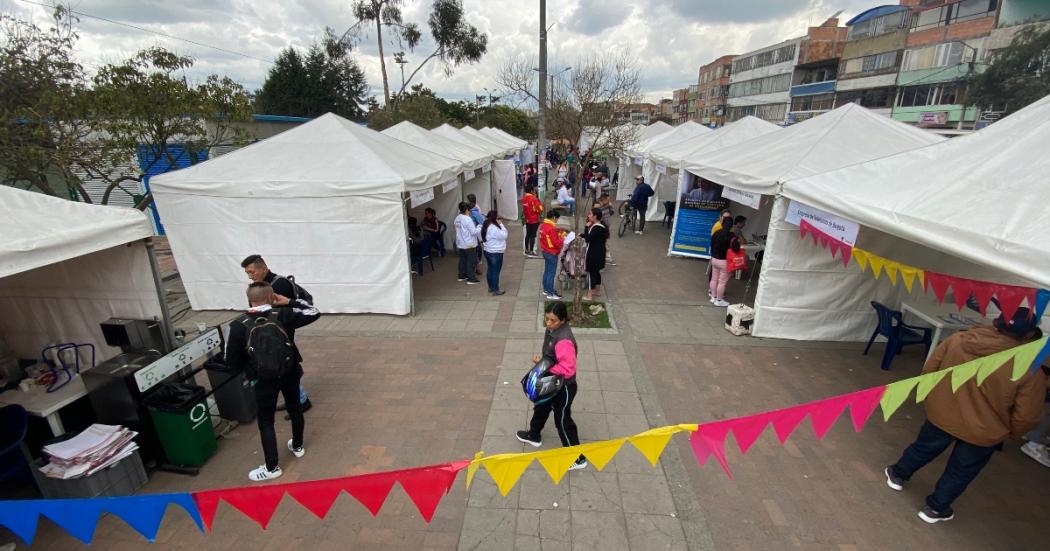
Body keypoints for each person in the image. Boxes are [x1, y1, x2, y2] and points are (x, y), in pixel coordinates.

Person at [885, 308, 1047, 523]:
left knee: (924, 447)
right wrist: (1010, 433)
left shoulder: (958, 339)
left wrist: (932, 400)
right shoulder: (1029, 368)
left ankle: (898, 474)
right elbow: (1027, 415)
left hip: (942, 412)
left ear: (996, 322)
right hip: (985, 430)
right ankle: (935, 508)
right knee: (961, 470)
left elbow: (929, 371)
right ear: (1029, 335)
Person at [225, 281, 320, 481]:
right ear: (272, 297)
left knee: (266, 421)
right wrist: (290, 301)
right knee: (295, 407)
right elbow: (314, 311)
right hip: (290, 372)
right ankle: (298, 445)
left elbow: (231, 362)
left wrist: (249, 372)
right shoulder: (283, 315)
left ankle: (272, 467)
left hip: (262, 380)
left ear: (249, 298)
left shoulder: (237, 325)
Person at [516, 302, 587, 471]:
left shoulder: (564, 340)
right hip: (551, 381)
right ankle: (534, 435)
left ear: (562, 320)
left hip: (564, 387)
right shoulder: (553, 330)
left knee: (562, 420)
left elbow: (568, 369)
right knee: (541, 406)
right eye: (546, 318)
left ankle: (578, 458)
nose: (548, 323)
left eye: (553, 320)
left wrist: (543, 365)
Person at [241, 255, 313, 414]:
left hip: (280, 333)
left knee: (284, 366)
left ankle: (301, 401)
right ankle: (297, 400)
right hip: (274, 333)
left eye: (252, 272)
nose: (250, 276)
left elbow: (278, 313)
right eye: (248, 273)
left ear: (264, 268)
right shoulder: (265, 284)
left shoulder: (278, 285)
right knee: (282, 366)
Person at [708, 223, 740, 307]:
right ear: (731, 226)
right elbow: (736, 248)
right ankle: (719, 300)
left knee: (714, 279)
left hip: (714, 259)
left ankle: (713, 297)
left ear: (722, 224)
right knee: (722, 282)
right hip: (724, 262)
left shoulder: (716, 233)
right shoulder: (732, 236)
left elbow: (711, 244)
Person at [582, 208, 608, 301]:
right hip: (599, 254)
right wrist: (583, 234)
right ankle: (597, 291)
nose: (588, 216)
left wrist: (586, 227)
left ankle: (589, 295)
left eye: (590, 214)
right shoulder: (600, 227)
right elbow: (592, 237)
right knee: (596, 272)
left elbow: (588, 239)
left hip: (593, 255)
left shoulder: (596, 227)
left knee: (591, 273)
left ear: (595, 216)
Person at [539, 210, 565, 300]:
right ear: (554, 217)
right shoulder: (552, 228)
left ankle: (546, 289)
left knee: (547, 271)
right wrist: (562, 238)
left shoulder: (543, 226)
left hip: (545, 251)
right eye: (557, 219)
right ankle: (550, 293)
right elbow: (556, 243)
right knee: (551, 273)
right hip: (552, 252)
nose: (557, 221)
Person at [454, 201, 481, 285]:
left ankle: (461, 276)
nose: (470, 212)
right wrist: (479, 227)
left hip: (461, 243)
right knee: (472, 261)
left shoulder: (457, 218)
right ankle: (471, 279)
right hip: (469, 244)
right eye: (469, 210)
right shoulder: (467, 219)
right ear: (466, 210)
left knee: (462, 260)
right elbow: (473, 232)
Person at [481, 210, 508, 295]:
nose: (499, 219)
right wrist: (501, 224)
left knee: (490, 269)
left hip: (488, 250)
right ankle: (496, 290)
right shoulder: (494, 228)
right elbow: (504, 235)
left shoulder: (486, 224)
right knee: (496, 271)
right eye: (498, 217)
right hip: (496, 252)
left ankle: (491, 287)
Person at [521, 185, 544, 258]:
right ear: (531, 191)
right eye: (533, 190)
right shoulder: (534, 199)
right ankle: (531, 251)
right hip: (534, 219)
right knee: (533, 235)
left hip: (527, 219)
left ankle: (526, 250)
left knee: (527, 234)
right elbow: (540, 209)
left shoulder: (524, 198)